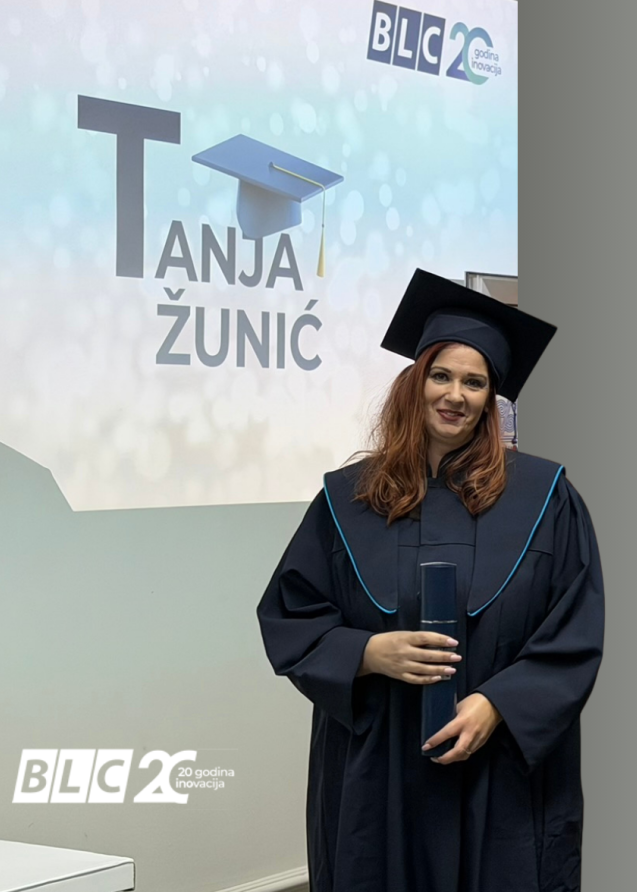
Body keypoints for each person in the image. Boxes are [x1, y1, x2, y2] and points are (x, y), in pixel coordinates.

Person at [257, 268, 605, 892]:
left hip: (499, 765)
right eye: (441, 376)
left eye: (475, 382)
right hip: (380, 767)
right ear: (414, 384)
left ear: (491, 400)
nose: (455, 395)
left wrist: (499, 704)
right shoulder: (348, 498)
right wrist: (367, 652)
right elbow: (292, 614)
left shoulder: (546, 497)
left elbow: (574, 628)